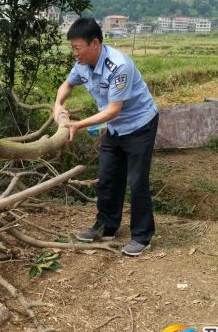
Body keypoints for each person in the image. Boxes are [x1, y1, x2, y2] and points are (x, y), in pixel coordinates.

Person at [53, 17, 159, 256]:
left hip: (139, 125)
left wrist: (78, 124)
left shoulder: (118, 66)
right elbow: (67, 85)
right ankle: (106, 226)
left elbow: (113, 110)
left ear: (95, 44)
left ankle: (142, 237)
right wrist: (58, 104)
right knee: (107, 176)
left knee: (137, 180)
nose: (74, 53)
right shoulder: (82, 64)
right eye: (72, 48)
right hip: (115, 128)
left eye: (78, 48)